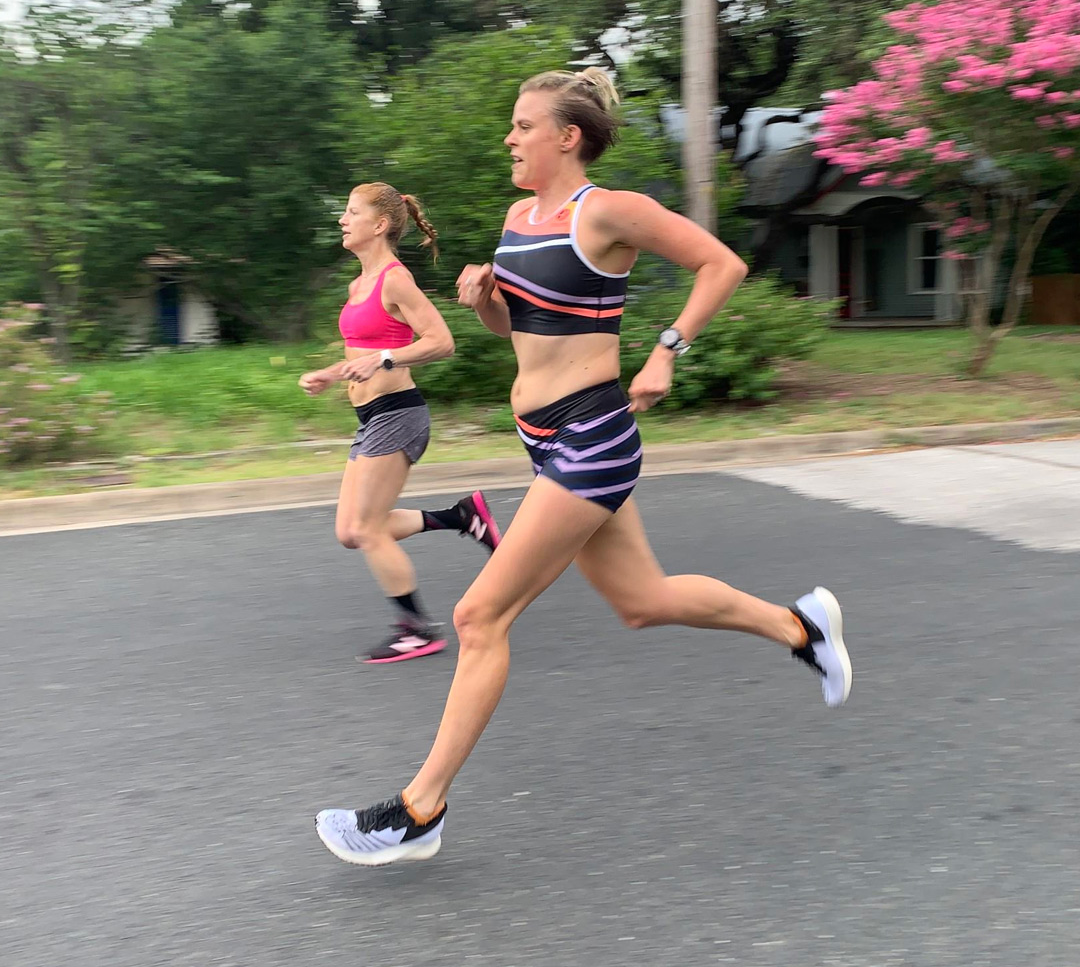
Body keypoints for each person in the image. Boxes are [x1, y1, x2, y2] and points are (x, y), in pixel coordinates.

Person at [314, 73, 852, 866]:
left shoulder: (606, 210)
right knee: (642, 601)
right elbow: (522, 330)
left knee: (477, 618)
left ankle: (418, 810)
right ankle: (800, 626)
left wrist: (668, 351)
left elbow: (722, 265)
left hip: (594, 435)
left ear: (567, 136)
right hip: (541, 434)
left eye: (522, 125)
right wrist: (483, 302)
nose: (509, 137)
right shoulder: (516, 218)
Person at [299, 182, 502, 664]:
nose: (343, 220)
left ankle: (417, 629)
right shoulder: (358, 285)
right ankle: (461, 517)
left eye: (351, 213)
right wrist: (332, 374)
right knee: (351, 531)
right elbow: (362, 353)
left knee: (368, 530)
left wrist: (385, 360)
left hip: (399, 415)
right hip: (370, 417)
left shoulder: (395, 279)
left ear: (380, 224)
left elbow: (442, 340)